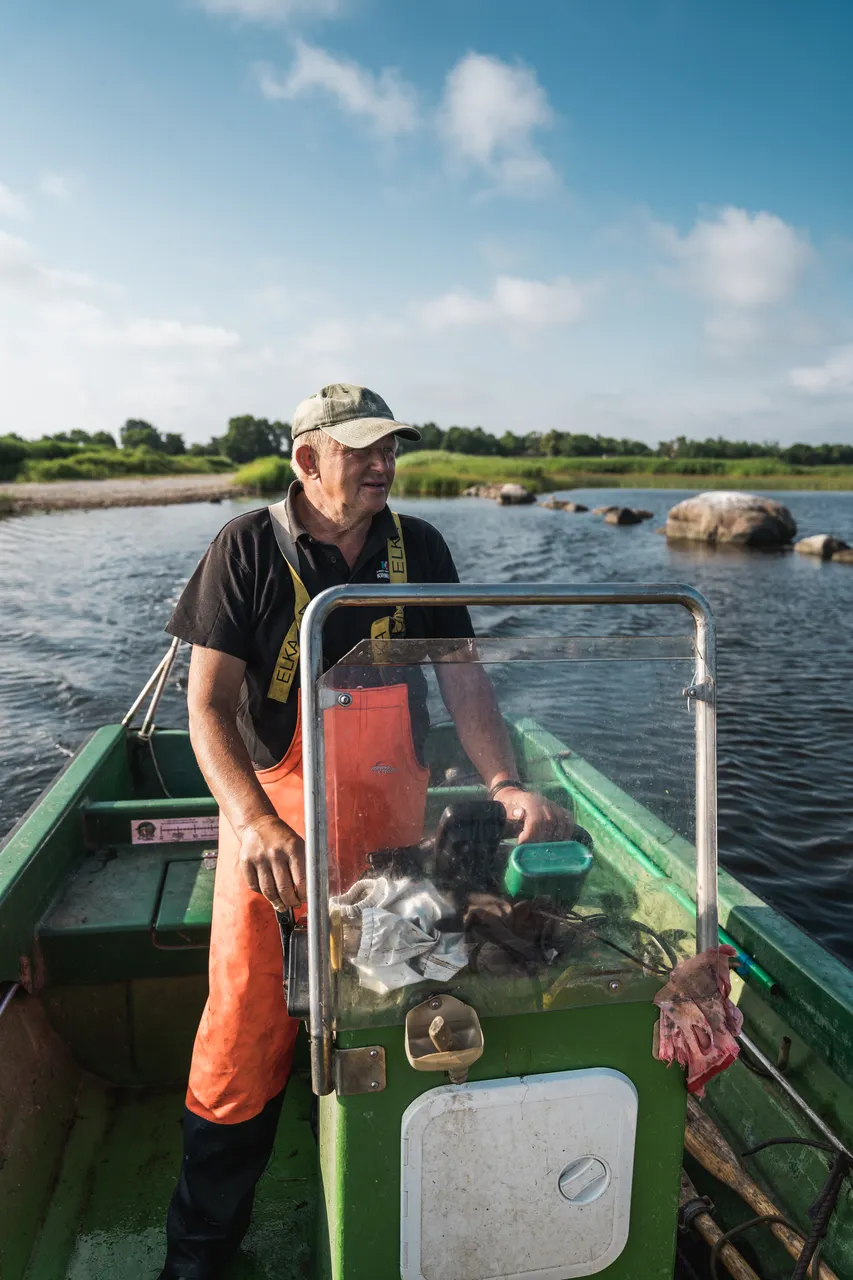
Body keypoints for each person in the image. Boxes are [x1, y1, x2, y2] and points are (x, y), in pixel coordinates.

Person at [160, 382, 571, 1278]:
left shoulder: (416, 545)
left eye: (391, 449)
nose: (384, 464)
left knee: (395, 997)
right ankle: (198, 1258)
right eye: (363, 450)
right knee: (242, 1034)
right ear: (308, 458)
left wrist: (503, 780)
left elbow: (461, 675)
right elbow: (208, 708)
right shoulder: (246, 546)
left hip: (387, 814)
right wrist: (254, 819)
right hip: (273, 822)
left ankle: (389, 1221)